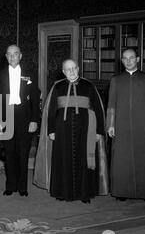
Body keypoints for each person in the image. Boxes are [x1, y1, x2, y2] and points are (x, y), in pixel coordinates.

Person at [34, 59, 109, 203]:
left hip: (86, 130)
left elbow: (99, 110)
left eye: (74, 68)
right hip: (62, 131)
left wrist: (99, 131)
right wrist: (51, 130)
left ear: (78, 68)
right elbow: (51, 110)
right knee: (63, 160)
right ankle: (62, 192)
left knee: (84, 160)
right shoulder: (57, 86)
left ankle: (85, 193)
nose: (71, 71)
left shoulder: (89, 85)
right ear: (63, 71)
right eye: (68, 69)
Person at [106, 48, 145, 204]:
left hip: (144, 126)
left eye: (131, 58)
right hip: (121, 126)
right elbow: (111, 105)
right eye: (125, 58)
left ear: (137, 59)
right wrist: (110, 124)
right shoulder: (116, 80)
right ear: (121, 61)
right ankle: (122, 191)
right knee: (121, 160)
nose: (128, 61)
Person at [0, 45, 40, 196]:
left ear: (20, 56)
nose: (13, 57)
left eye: (16, 54)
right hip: (6, 116)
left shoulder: (30, 74)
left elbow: (34, 99)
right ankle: (10, 185)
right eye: (10, 54)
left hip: (24, 117)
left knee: (23, 152)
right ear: (6, 56)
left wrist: (34, 120)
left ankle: (22, 187)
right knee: (9, 152)